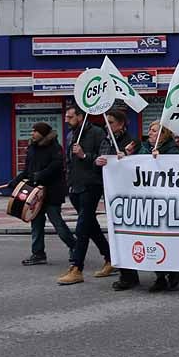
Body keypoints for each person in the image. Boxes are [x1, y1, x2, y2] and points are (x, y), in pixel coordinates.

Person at [57, 107, 117, 286]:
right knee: (91, 226)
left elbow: (105, 158)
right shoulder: (70, 135)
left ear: (81, 117)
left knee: (82, 227)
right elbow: (68, 161)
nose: (67, 119)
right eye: (66, 116)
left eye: (70, 116)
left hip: (91, 185)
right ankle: (110, 258)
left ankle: (77, 267)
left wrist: (84, 155)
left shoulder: (98, 133)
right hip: (74, 186)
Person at [16, 122, 76, 266]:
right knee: (36, 223)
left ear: (43, 133)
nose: (33, 134)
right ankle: (38, 254)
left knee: (57, 222)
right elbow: (27, 171)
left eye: (35, 131)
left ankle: (74, 246)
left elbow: (56, 167)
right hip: (35, 192)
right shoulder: (31, 148)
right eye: (32, 131)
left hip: (52, 192)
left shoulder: (55, 148)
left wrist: (39, 175)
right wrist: (16, 181)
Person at [142, 122, 179, 293]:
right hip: (149, 202)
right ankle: (160, 276)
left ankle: (174, 272)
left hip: (168, 202)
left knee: (168, 239)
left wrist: (162, 160)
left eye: (154, 131)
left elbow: (177, 167)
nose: (150, 133)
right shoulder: (144, 148)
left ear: (164, 134)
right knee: (153, 239)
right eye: (150, 130)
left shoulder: (173, 150)